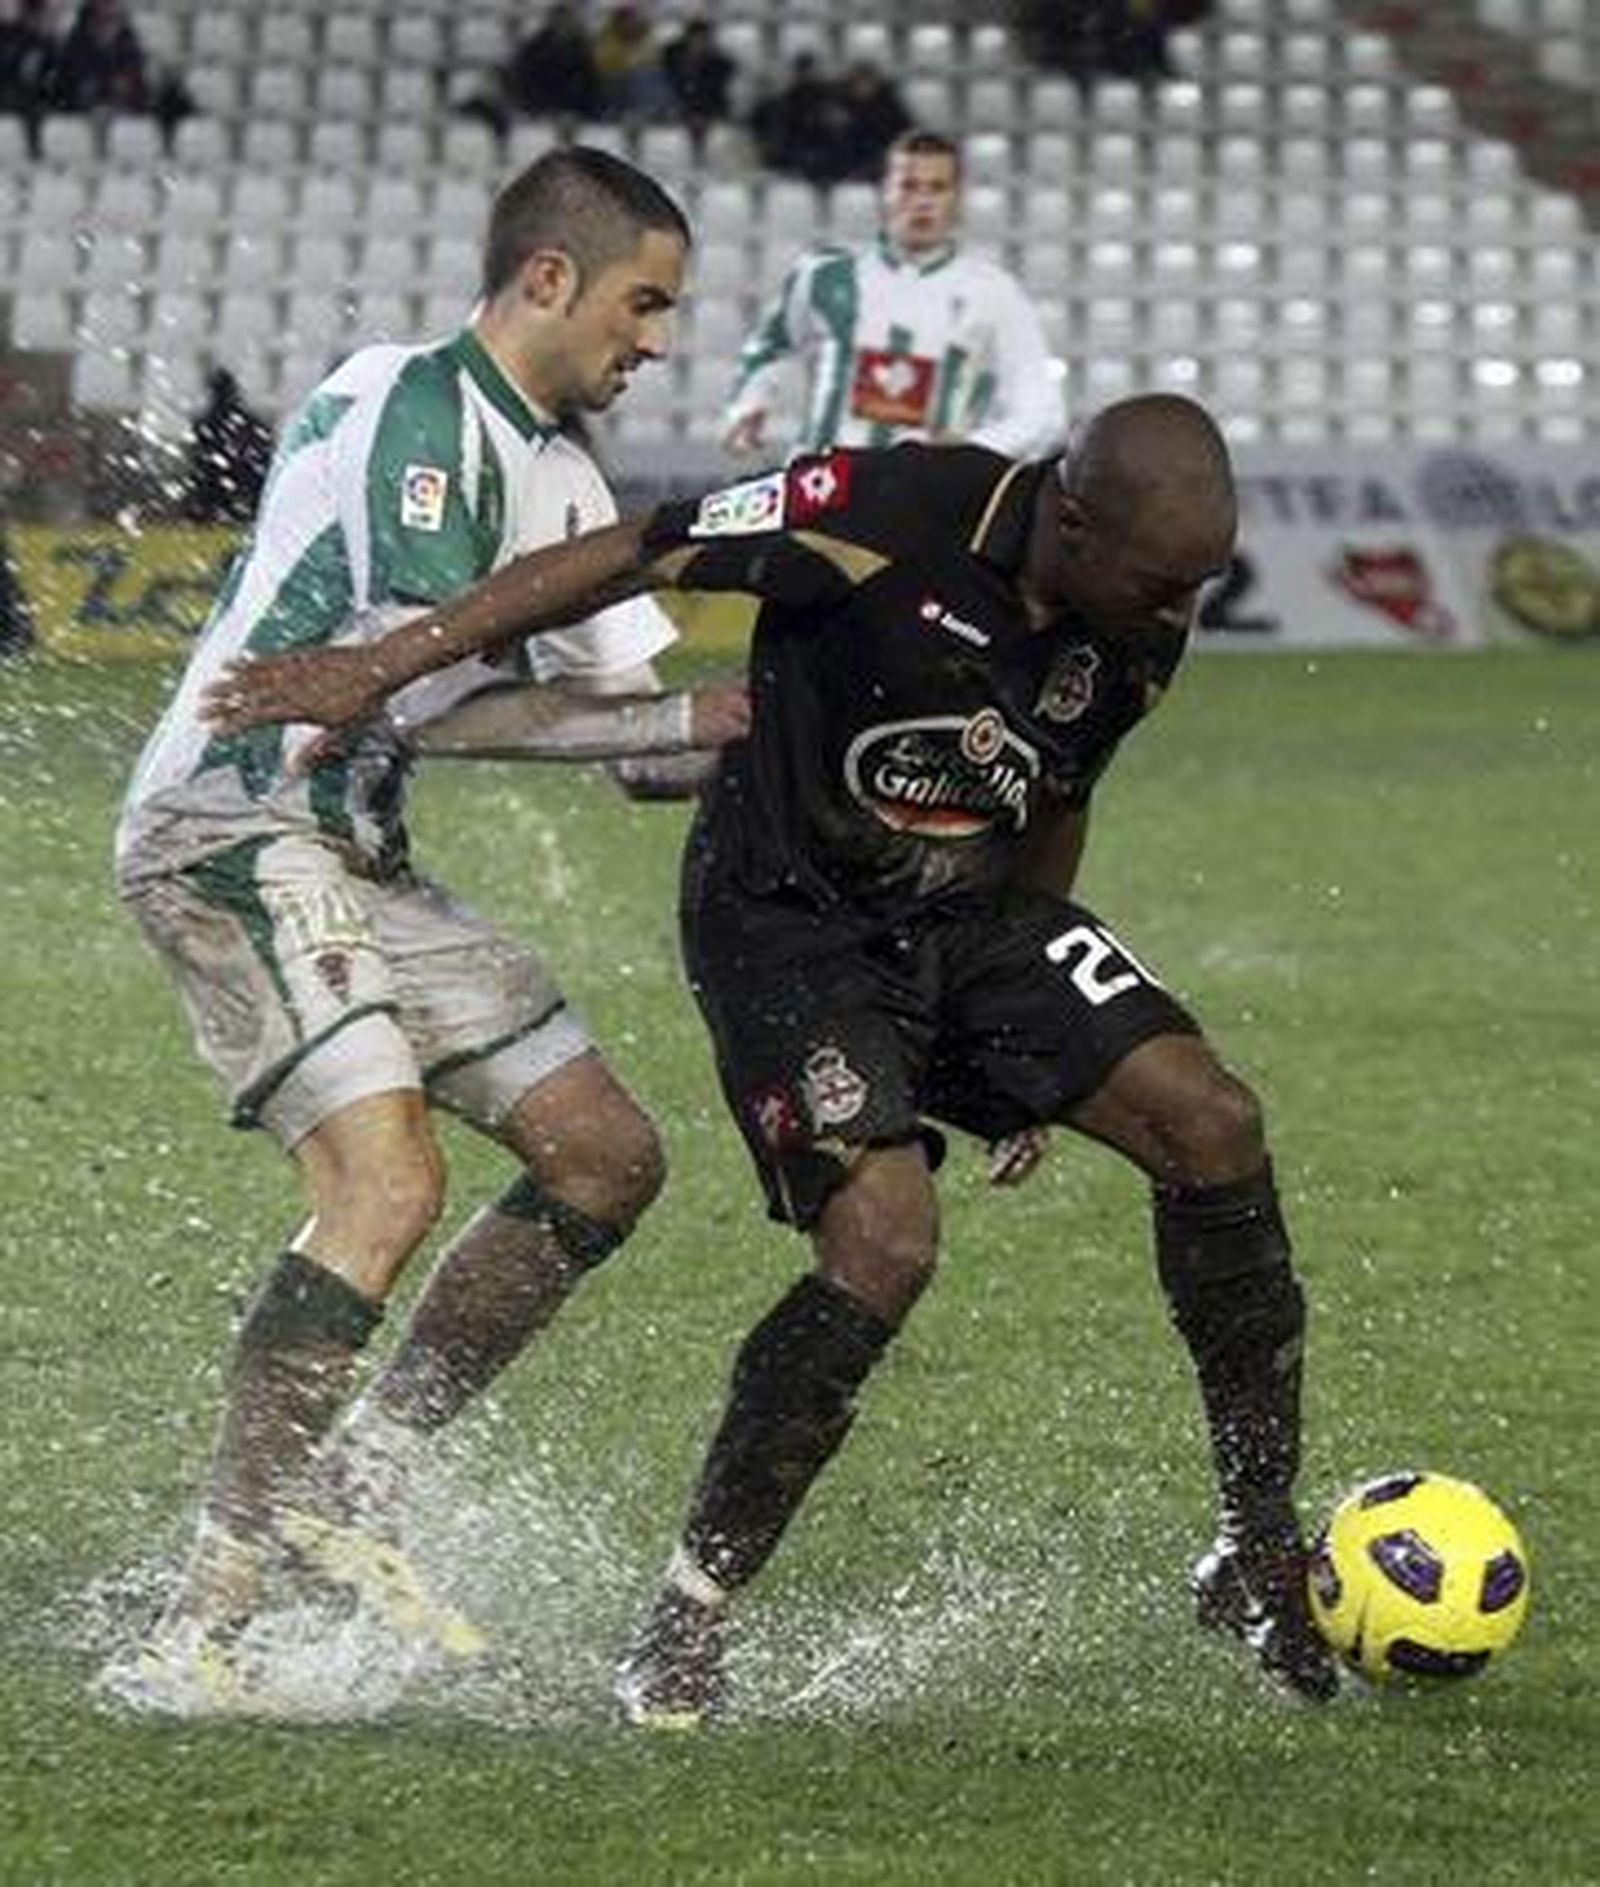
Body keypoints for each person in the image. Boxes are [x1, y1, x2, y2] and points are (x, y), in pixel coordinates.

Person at [200, 394, 1342, 1723]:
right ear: (1069, 516)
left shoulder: (1143, 610)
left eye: (1193, 584)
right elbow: (631, 546)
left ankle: (1255, 1546)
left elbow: (1057, 787)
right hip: (788, 926)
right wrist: (381, 666)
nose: (1175, 607)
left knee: (1213, 1122)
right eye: (1158, 579)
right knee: (886, 1244)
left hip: (971, 915)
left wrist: (1025, 1044)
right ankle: (687, 1615)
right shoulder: (874, 512)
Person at [100, 147, 750, 1718]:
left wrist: (779, 717)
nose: (654, 340)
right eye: (641, 303)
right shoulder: (410, 399)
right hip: (234, 816)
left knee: (605, 1153)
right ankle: (205, 1618)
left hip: (356, 852)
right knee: (386, 1183)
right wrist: (665, 711)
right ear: (548, 279)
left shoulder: (568, 486)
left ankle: (359, 1478)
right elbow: (422, 682)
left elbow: (638, 741)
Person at [722, 130, 1063, 464]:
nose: (923, 201)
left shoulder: (994, 291)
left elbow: (1043, 413)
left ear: (957, 197)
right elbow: (769, 346)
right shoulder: (824, 274)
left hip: (927, 502)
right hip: (821, 488)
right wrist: (748, 405)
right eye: (908, 186)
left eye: (938, 188)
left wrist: (970, 450)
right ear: (884, 191)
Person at [181, 367, 274, 526]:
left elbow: (200, 450)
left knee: (206, 499)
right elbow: (261, 446)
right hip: (240, 477)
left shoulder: (207, 420)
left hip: (216, 478)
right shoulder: (245, 418)